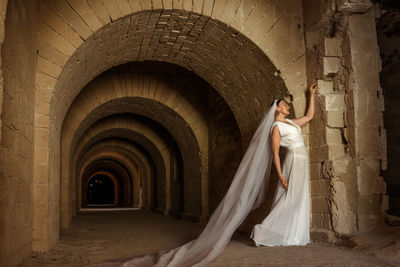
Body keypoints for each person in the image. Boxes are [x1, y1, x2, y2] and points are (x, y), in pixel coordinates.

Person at [99, 81, 318, 267]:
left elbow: (308, 116)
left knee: (297, 198)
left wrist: (312, 95)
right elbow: (275, 155)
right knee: (288, 198)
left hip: (302, 159)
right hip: (292, 161)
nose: (288, 106)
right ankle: (262, 231)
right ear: (277, 109)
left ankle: (293, 234)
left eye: (286, 105)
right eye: (284, 104)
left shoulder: (290, 123)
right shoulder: (275, 129)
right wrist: (280, 174)